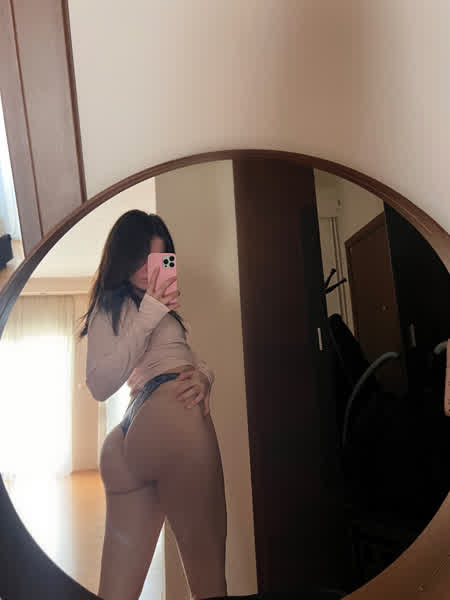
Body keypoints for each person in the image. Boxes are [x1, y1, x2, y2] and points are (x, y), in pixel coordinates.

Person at [80, 210, 227, 600]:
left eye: (159, 260)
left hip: (140, 430)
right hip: (166, 417)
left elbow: (181, 359)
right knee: (210, 583)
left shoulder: (161, 312)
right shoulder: (114, 306)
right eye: (144, 261)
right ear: (124, 256)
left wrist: (205, 375)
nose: (151, 272)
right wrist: (148, 316)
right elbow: (99, 384)